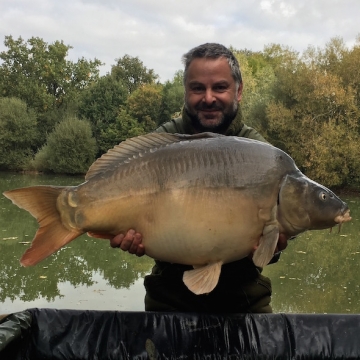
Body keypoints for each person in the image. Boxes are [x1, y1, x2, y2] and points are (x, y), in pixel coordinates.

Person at [109, 43, 289, 313]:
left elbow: (271, 247)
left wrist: (273, 247)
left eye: (219, 87)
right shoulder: (162, 142)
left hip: (244, 301)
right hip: (167, 299)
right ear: (185, 92)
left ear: (238, 91)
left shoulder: (261, 153)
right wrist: (128, 236)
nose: (208, 98)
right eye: (197, 88)